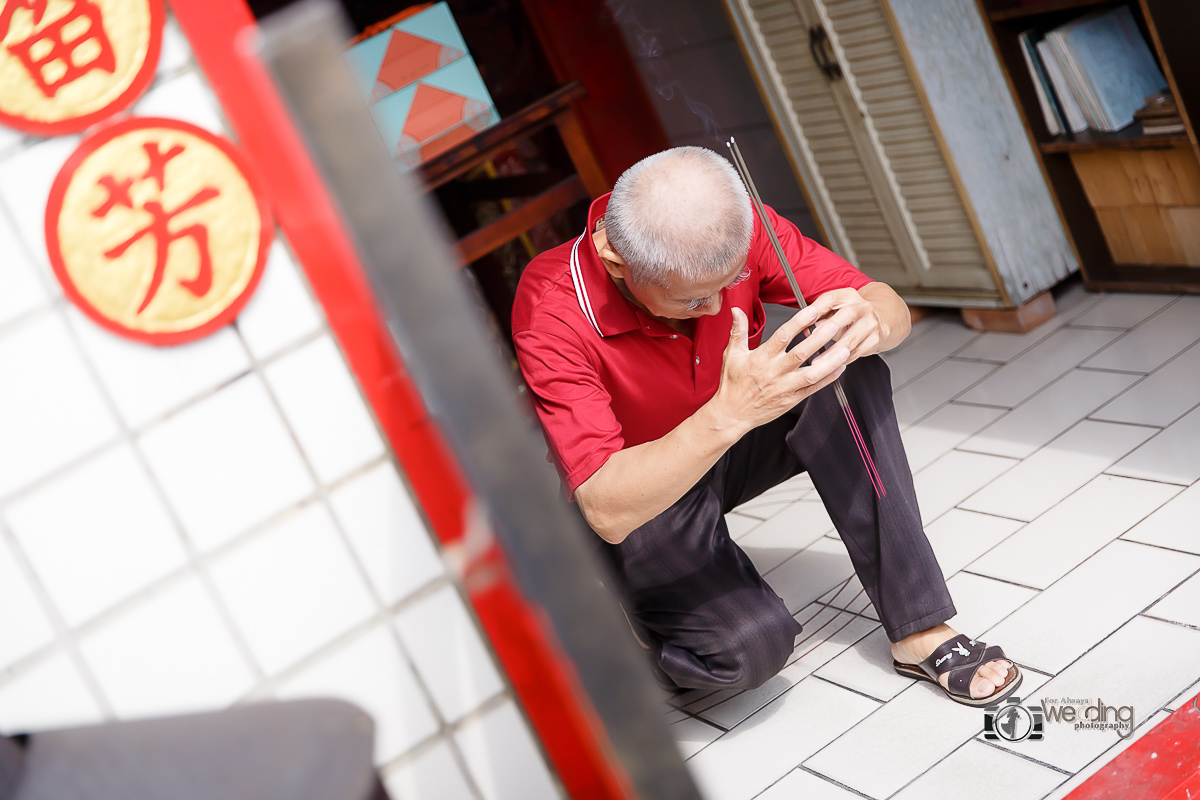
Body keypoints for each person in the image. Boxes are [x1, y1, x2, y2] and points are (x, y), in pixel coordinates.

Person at [511, 146, 1021, 706]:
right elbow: (606, 507)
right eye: (691, 299)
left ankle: (919, 627)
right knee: (746, 653)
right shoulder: (551, 307)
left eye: (725, 286)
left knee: (848, 372)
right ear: (615, 261)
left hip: (732, 433)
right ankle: (632, 633)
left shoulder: (739, 224)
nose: (712, 311)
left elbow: (884, 302)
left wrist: (872, 318)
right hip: (642, 494)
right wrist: (732, 412)